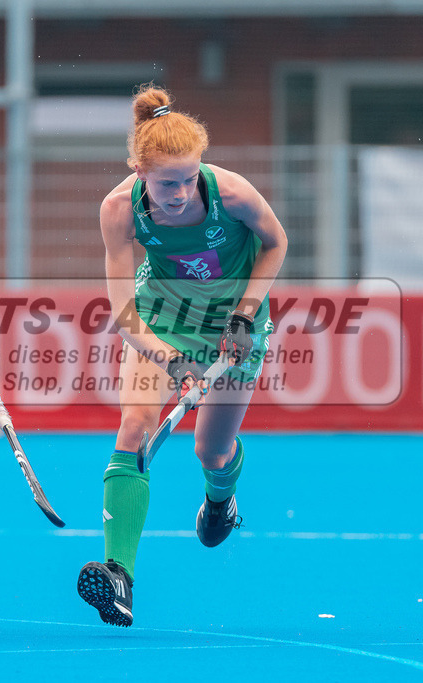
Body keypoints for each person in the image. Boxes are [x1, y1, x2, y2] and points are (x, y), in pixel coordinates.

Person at [77, 86, 288, 627]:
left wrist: (244, 314)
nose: (179, 193)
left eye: (188, 179)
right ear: (139, 170)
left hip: (235, 322)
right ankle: (119, 574)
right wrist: (169, 359)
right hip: (162, 314)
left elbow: (276, 243)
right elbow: (124, 311)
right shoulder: (119, 210)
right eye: (166, 182)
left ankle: (221, 499)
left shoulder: (233, 193)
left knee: (211, 451)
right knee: (134, 430)